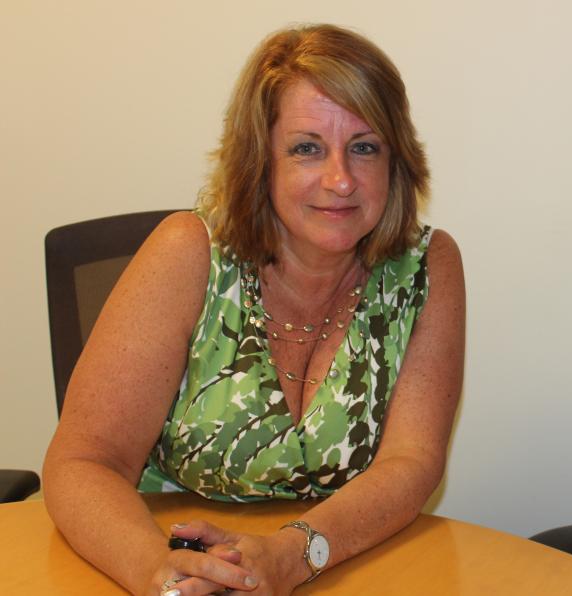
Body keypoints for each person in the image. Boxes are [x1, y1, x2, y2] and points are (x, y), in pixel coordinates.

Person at [43, 24, 465, 596]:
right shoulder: (187, 253)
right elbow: (84, 462)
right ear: (260, 159)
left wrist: (291, 556)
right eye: (307, 148)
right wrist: (160, 572)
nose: (340, 179)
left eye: (364, 147)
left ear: (397, 163)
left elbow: (412, 462)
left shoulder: (425, 267)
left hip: (338, 567)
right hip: (166, 563)